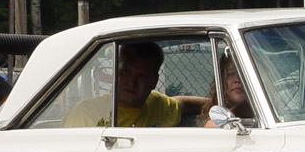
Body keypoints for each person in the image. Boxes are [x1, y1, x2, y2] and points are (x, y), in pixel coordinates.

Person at [63, 42, 207, 128]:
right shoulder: (85, 113)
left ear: (154, 82)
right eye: (125, 73)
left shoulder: (156, 104)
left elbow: (187, 104)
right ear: (116, 74)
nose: (132, 81)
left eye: (141, 76)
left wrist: (225, 106)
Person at [198, 54, 253, 127]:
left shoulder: (265, 114)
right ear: (222, 82)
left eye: (242, 73)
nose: (237, 79)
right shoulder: (216, 123)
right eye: (231, 74)